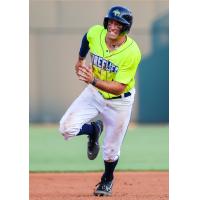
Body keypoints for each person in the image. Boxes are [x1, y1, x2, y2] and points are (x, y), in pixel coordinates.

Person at [59, 5, 141, 196]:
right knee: (66, 128)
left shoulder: (131, 52)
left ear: (126, 27)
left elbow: (120, 86)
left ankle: (107, 180)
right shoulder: (97, 32)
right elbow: (87, 37)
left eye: (118, 24)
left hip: (119, 101)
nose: (113, 26)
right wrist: (80, 59)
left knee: (111, 149)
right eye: (111, 21)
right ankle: (93, 129)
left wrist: (93, 80)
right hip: (94, 93)